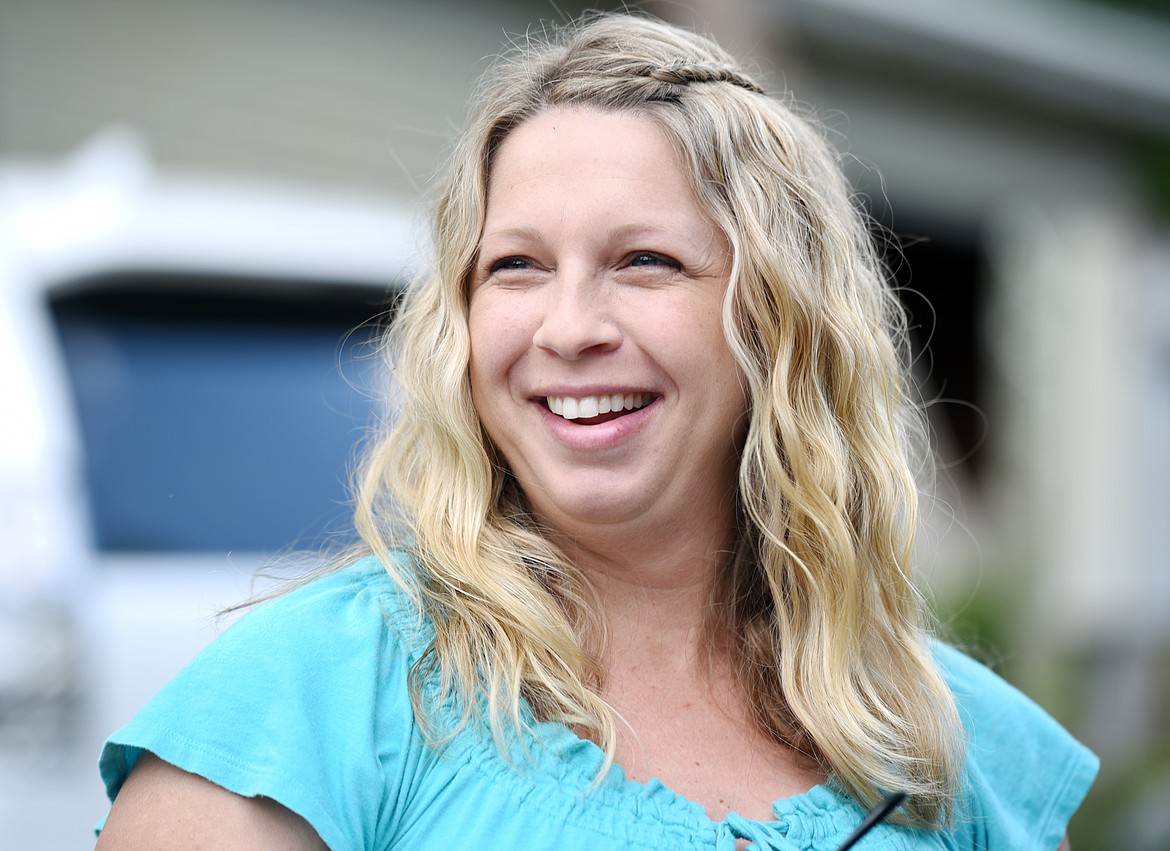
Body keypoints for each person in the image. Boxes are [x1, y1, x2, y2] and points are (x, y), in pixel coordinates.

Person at [95, 13, 1097, 850]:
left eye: (646, 260)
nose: (570, 328)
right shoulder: (298, 708)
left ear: (782, 324)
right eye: (517, 266)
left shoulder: (961, 754)